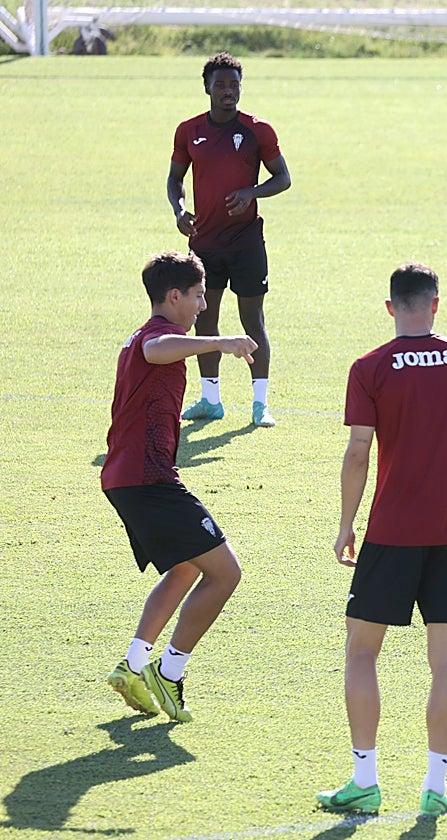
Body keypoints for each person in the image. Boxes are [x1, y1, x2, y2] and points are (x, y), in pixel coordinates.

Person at [318, 263, 447, 817]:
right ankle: (436, 787)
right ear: (435, 304)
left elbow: (358, 451)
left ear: (389, 308)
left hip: (390, 534)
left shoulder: (370, 367)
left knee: (361, 653)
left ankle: (364, 780)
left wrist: (345, 523)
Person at [102, 251, 255, 723]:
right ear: (173, 296)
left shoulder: (150, 336)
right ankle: (168, 675)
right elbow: (157, 350)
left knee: (188, 567)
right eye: (198, 294)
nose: (203, 303)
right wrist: (224, 341)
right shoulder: (154, 338)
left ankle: (132, 666)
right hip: (148, 481)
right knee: (226, 572)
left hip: (131, 478)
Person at [167, 51, 292, 428]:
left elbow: (283, 178)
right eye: (220, 84)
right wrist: (179, 210)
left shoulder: (258, 130)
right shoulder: (188, 131)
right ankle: (210, 400)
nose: (227, 91)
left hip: (247, 243)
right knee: (204, 319)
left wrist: (251, 193)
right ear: (206, 87)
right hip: (204, 243)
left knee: (252, 319)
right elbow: (175, 180)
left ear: (241, 88)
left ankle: (260, 404)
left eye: (233, 84)